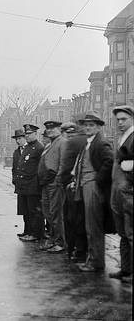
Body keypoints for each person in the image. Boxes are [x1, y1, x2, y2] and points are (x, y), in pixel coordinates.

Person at [74, 111, 114, 272]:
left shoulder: (101, 143)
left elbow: (110, 160)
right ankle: (93, 259)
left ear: (98, 127)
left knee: (94, 226)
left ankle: (96, 261)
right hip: (85, 186)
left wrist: (98, 180)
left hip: (93, 187)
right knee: (89, 224)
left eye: (92, 125)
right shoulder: (88, 142)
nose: (88, 128)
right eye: (86, 125)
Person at [109, 105, 133, 284]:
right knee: (123, 233)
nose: (120, 123)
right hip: (118, 192)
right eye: (118, 120)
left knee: (131, 233)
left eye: (123, 119)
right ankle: (126, 269)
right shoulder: (122, 138)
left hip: (129, 193)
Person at [59, 121, 88, 262]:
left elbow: (65, 166)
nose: (69, 137)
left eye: (70, 134)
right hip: (78, 185)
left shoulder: (72, 144)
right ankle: (76, 250)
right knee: (77, 219)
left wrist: (62, 180)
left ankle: (74, 250)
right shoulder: (85, 142)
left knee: (72, 219)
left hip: (72, 186)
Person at [37, 120, 67, 254]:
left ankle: (60, 242)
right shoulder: (50, 144)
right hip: (46, 184)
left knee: (56, 214)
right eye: (48, 129)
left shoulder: (62, 143)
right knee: (48, 212)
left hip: (55, 184)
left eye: (53, 128)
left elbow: (64, 163)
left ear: (59, 129)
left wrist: (58, 179)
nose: (50, 131)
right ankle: (53, 240)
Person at [16, 124, 45, 242]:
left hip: (33, 185)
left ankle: (36, 234)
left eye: (29, 134)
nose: (27, 136)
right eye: (26, 134)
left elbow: (40, 167)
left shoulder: (38, 148)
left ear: (35, 134)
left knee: (35, 211)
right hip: (25, 185)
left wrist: (37, 184)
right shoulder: (27, 147)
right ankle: (29, 231)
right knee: (27, 211)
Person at [10, 129, 29, 237]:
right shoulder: (16, 152)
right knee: (23, 209)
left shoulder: (30, 149)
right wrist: (14, 179)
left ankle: (32, 231)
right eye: (16, 139)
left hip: (29, 184)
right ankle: (26, 230)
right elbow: (14, 168)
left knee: (31, 210)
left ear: (25, 138)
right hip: (20, 184)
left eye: (20, 139)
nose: (18, 141)